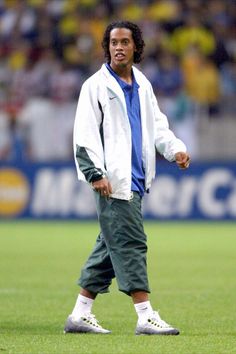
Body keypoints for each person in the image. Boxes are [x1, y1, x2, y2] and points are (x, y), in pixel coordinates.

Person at [64, 21, 190, 336]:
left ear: (136, 47)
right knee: (132, 243)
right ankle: (145, 315)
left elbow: (157, 125)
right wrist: (95, 174)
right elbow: (83, 137)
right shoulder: (94, 86)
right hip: (113, 182)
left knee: (110, 245)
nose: (119, 47)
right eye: (113, 42)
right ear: (107, 47)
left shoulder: (143, 84)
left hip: (136, 178)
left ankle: (79, 314)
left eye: (125, 42)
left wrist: (175, 149)